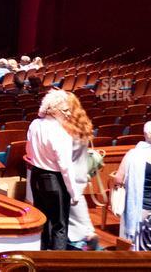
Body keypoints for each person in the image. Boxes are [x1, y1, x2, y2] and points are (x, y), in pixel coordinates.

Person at [26, 89, 79, 250]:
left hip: (36, 176)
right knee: (59, 225)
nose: (69, 113)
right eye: (65, 110)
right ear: (53, 109)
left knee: (42, 220)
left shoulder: (34, 124)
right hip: (54, 180)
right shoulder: (60, 132)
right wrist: (74, 192)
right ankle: (58, 260)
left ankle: (41, 255)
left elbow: (28, 151)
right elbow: (65, 166)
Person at [61, 93, 98, 250]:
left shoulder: (66, 130)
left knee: (74, 206)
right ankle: (86, 234)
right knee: (76, 205)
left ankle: (87, 235)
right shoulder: (81, 125)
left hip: (70, 173)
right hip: (81, 171)